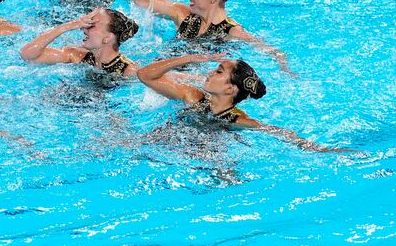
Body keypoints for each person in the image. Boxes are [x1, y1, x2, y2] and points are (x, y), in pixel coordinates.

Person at [136, 54, 348, 152]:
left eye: (219, 71)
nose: (210, 72)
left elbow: (279, 132)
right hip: (162, 143)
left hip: (205, 154)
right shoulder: (192, 96)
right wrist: (190, 58)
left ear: (230, 89)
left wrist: (321, 149)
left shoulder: (236, 119)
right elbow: (144, 75)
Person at [131, 0, 292, 72]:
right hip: (155, 74)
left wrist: (286, 71)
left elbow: (275, 52)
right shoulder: (182, 15)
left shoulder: (233, 32)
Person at [20, 8, 139, 76]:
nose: (83, 28)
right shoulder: (76, 55)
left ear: (107, 38)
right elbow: (27, 55)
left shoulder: (128, 71)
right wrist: (67, 26)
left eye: (91, 25)